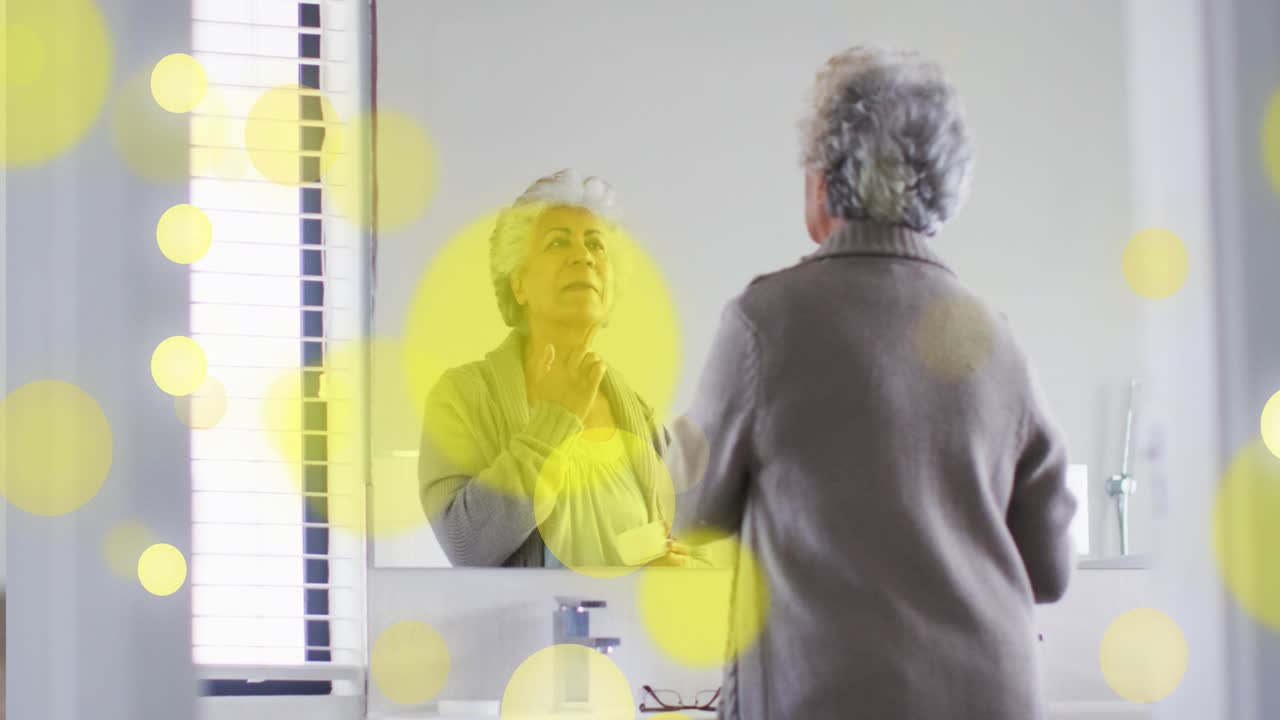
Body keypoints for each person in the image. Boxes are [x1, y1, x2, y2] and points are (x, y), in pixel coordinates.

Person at [670, 47, 1078, 719]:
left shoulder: (765, 321)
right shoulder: (997, 339)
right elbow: (1052, 567)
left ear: (823, 180)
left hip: (835, 697)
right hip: (995, 695)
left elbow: (690, 513)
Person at [418, 169, 696, 569]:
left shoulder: (639, 415)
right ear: (519, 283)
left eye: (595, 244)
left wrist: (664, 567)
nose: (583, 256)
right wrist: (558, 419)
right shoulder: (462, 397)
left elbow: (671, 543)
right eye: (557, 242)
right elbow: (466, 545)